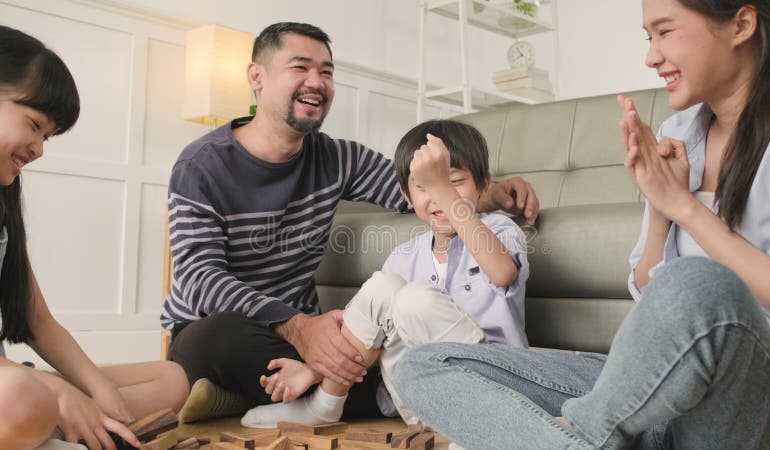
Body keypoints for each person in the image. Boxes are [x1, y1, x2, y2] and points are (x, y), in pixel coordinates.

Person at [393, 0, 770, 448]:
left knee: (701, 283)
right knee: (427, 366)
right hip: (650, 388)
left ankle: (586, 432)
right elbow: (651, 295)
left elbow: (703, 297)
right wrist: (661, 210)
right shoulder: (682, 132)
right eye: (649, 37)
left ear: (741, 25)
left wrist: (685, 207)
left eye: (665, 32)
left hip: (766, 392)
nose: (651, 56)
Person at [162, 22, 540, 423]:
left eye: (326, 72)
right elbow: (200, 280)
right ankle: (270, 390)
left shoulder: (339, 158)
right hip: (230, 329)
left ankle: (262, 395)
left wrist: (492, 193)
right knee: (222, 337)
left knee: (362, 363)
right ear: (257, 76)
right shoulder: (200, 166)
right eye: (300, 68)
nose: (316, 82)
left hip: (309, 338)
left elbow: (417, 190)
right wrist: (296, 326)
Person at [237, 119, 530, 428]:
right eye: (424, 186)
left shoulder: (499, 230)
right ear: (406, 195)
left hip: (496, 391)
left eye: (454, 182)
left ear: (484, 184)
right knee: (383, 288)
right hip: (424, 399)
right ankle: (323, 406)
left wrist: (442, 189)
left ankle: (483, 427)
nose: (438, 196)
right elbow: (369, 333)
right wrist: (313, 370)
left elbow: (502, 273)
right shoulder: (405, 256)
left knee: (414, 299)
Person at [0, 26, 189, 450]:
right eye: (33, 125)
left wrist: (98, 391)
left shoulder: (3, 205)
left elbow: (37, 321)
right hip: (11, 390)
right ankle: (50, 417)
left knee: (170, 378)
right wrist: (56, 391)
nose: (39, 149)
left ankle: (60, 421)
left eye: (47, 136)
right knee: (25, 400)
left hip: (13, 382)